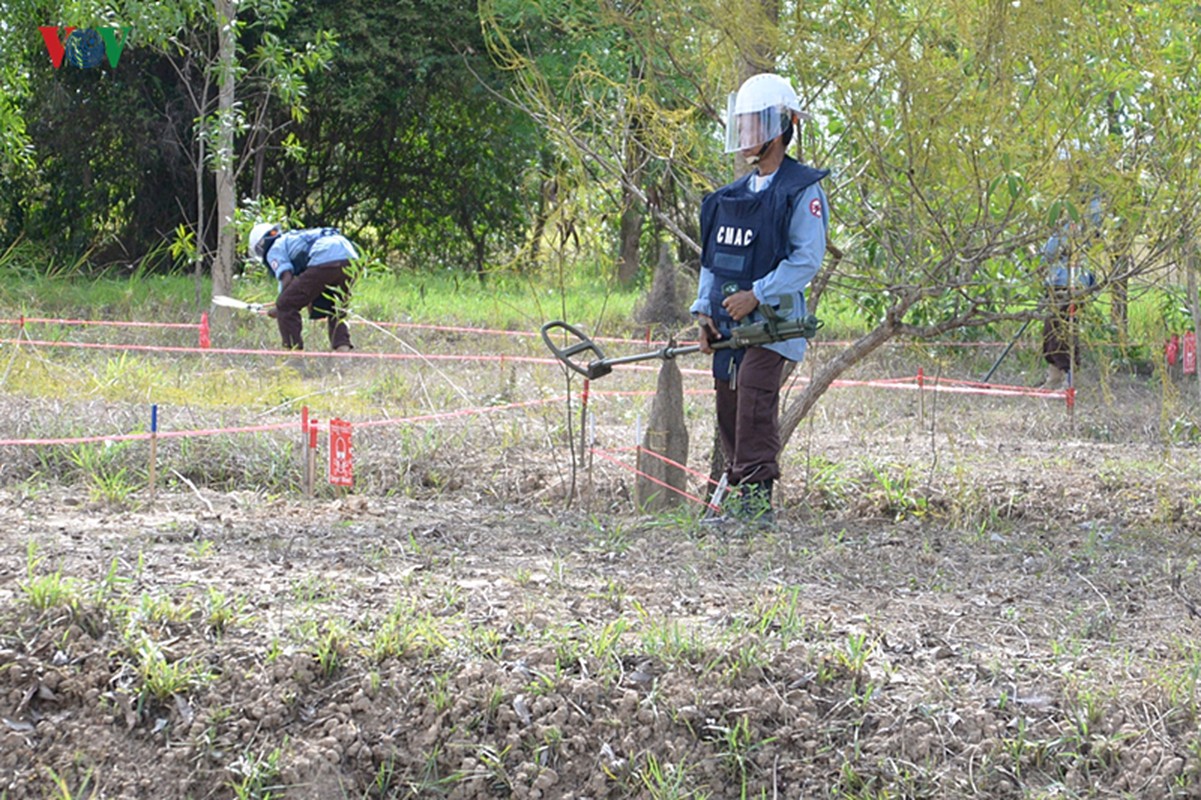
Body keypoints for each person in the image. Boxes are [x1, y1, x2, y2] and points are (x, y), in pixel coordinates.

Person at [691, 73, 829, 526]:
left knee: (753, 396)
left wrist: (758, 295)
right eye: (743, 125)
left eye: (757, 125)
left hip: (775, 328)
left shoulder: (801, 190)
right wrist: (704, 312)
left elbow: (807, 259)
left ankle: (754, 505)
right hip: (730, 330)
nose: (748, 135)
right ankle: (736, 494)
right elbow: (712, 261)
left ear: (784, 126)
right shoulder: (726, 199)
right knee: (729, 402)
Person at [248, 222, 359, 352]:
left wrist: (280, 307)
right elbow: (309, 286)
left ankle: (294, 357)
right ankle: (343, 353)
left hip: (325, 257)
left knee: (285, 304)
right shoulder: (292, 239)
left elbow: (287, 277)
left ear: (261, 245)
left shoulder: (274, 249)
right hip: (351, 258)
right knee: (335, 308)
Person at [1038, 198, 1099, 389]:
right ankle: (1054, 375)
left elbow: (1051, 251)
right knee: (1051, 331)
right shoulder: (1064, 224)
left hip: (1071, 283)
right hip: (1057, 282)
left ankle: (1070, 377)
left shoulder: (1080, 224)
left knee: (1064, 332)